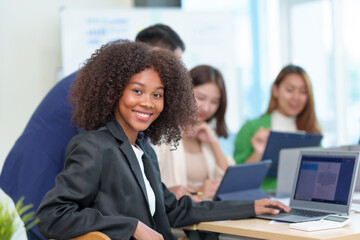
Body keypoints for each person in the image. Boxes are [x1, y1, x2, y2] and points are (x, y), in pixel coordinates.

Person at [36, 40, 290, 240]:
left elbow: (175, 210)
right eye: (137, 91)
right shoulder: (94, 146)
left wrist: (251, 207)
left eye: (157, 95)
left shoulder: (145, 151)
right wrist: (130, 226)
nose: (148, 102)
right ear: (114, 92)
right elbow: (52, 216)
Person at [0, 23, 185, 240]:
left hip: (52, 181)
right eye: (172, 63)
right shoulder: (101, 87)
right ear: (153, 55)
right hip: (38, 179)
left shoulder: (111, 81)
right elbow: (111, 159)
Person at [234, 64, 322, 191]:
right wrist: (258, 153)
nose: (296, 97)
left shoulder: (311, 131)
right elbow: (237, 179)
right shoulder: (251, 128)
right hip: (263, 201)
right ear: (275, 90)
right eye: (289, 90)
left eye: (303, 92)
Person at [152, 65, 233, 201]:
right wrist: (198, 193)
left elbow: (230, 185)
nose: (206, 108)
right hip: (177, 219)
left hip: (207, 217)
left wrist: (214, 143)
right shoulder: (162, 135)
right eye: (200, 98)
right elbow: (155, 191)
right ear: (184, 92)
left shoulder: (207, 135)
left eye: (214, 102)